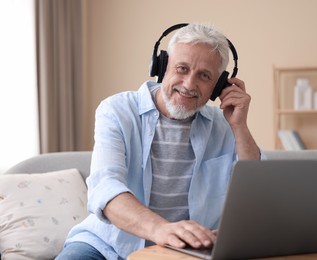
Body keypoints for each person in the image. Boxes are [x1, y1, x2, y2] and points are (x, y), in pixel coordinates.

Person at [56, 23, 262, 260]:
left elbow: (256, 193)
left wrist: (239, 126)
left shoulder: (224, 124)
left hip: (184, 251)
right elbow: (105, 187)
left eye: (204, 76)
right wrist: (160, 229)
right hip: (106, 245)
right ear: (162, 66)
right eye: (182, 68)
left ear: (218, 86)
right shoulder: (117, 111)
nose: (189, 84)